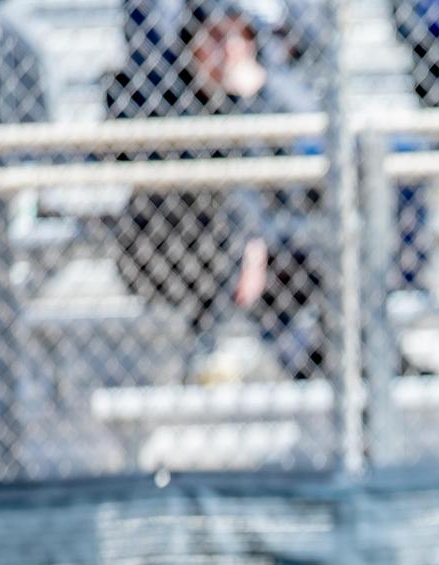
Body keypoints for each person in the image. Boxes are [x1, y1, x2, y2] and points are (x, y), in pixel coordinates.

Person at [109, 0, 328, 382]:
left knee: (321, 238)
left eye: (240, 37)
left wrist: (250, 99)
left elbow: (303, 171)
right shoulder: (166, 98)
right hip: (180, 247)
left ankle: (333, 354)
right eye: (214, 38)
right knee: (225, 212)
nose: (229, 52)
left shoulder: (268, 95)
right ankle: (212, 349)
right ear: (191, 46)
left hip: (266, 242)